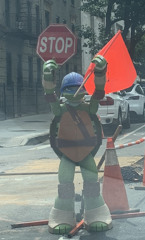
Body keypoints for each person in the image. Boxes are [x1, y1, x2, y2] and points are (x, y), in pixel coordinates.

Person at [42, 55, 112, 235]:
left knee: (92, 181)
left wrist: (100, 72)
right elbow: (50, 96)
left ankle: (95, 212)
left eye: (77, 87)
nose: (75, 91)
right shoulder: (61, 109)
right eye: (70, 88)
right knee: (65, 182)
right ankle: (63, 215)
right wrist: (48, 77)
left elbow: (98, 92)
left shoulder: (88, 108)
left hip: (86, 151)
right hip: (67, 152)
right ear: (64, 91)